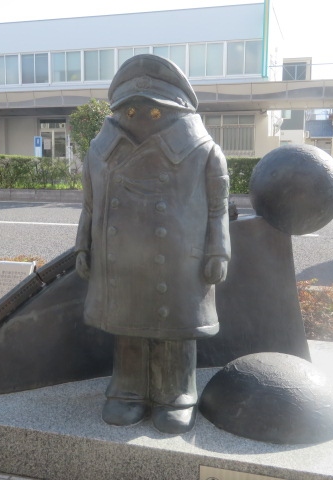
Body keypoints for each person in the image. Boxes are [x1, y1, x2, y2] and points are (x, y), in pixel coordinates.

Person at [75, 54, 230, 434]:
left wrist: (218, 251)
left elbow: (218, 207)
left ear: (176, 109)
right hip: (122, 261)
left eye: (154, 111)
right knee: (128, 325)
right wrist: (83, 247)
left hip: (179, 261)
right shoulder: (100, 151)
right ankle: (127, 390)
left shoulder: (203, 150)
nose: (142, 117)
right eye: (132, 110)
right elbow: (90, 206)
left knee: (174, 329)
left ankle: (176, 393)